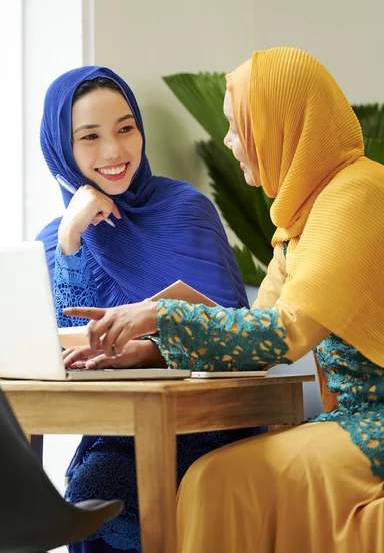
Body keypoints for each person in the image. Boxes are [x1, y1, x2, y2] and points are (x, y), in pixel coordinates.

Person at [66, 48, 384, 553]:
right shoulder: (299, 223)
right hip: (346, 418)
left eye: (239, 127)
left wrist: (157, 314)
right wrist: (149, 349)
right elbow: (251, 334)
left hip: (374, 421)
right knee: (213, 479)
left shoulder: (357, 194)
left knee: (216, 479)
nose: (231, 142)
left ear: (282, 124)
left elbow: (287, 332)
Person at [37, 66, 265, 552]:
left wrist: (150, 350)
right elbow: (59, 347)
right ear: (61, 148)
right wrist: (70, 239)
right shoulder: (57, 240)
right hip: (119, 434)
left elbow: (238, 339)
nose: (115, 151)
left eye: (126, 128)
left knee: (97, 490)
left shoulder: (185, 209)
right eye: (90, 137)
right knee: (89, 490)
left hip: (207, 426)